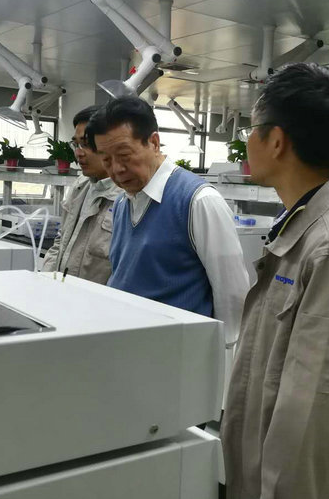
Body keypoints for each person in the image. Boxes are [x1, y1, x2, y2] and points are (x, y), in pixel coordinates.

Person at [221, 63, 329, 499]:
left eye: (251, 128)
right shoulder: (305, 226)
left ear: (276, 140)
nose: (248, 140)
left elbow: (313, 418)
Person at [85, 96, 250, 351]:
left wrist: (224, 357)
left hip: (178, 354)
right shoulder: (122, 203)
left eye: (124, 155)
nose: (117, 169)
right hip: (127, 348)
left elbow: (232, 295)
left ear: (153, 142)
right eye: (106, 160)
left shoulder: (198, 201)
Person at [43, 105, 122, 284]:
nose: (78, 153)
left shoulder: (127, 197)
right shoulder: (80, 186)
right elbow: (61, 241)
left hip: (97, 298)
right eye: (76, 144)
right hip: (63, 292)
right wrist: (46, 280)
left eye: (86, 144)